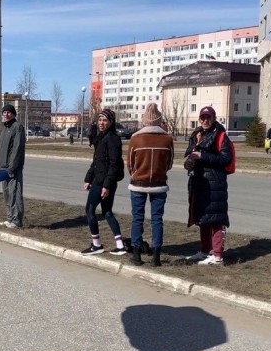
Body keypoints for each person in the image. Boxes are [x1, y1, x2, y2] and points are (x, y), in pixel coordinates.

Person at [184, 106, 233, 266]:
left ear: (214, 118)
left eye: (208, 118)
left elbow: (226, 158)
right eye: (203, 118)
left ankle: (217, 255)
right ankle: (205, 251)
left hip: (215, 183)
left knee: (216, 219)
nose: (205, 121)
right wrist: (189, 162)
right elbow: (188, 154)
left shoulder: (220, 135)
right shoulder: (196, 135)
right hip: (199, 182)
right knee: (203, 217)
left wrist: (203, 156)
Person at [127, 103, 174, 266]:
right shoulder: (167, 139)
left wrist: (135, 175)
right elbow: (169, 163)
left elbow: (130, 164)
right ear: (159, 120)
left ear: (144, 120)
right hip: (159, 184)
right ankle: (156, 256)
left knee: (137, 218)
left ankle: (136, 253)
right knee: (157, 219)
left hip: (138, 183)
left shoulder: (135, 139)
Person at [80, 109, 126, 256]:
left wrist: (106, 185)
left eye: (105, 120)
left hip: (103, 182)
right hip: (100, 179)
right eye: (100, 120)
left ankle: (96, 244)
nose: (101, 123)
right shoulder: (101, 137)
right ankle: (120, 245)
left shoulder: (112, 139)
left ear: (111, 122)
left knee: (89, 210)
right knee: (107, 212)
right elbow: (96, 162)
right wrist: (88, 178)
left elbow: (114, 165)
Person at [0, 104, 26, 229]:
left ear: (13, 114)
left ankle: (16, 220)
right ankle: (9, 218)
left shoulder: (17, 127)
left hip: (12, 168)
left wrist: (12, 167)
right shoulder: (4, 128)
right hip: (3, 168)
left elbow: (17, 149)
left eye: (8, 112)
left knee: (14, 193)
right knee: (6, 194)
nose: (6, 114)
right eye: (4, 112)